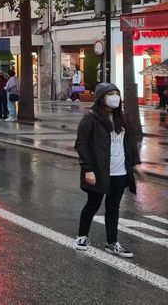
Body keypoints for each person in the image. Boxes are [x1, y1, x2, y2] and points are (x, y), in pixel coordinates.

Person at [74, 83, 145, 258]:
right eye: (110, 93)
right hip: (99, 171)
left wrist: (135, 163)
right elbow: (81, 145)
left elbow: (129, 143)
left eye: (116, 93)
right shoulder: (90, 118)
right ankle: (82, 236)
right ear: (101, 98)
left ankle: (112, 242)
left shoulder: (122, 116)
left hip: (119, 172)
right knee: (93, 204)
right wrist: (88, 169)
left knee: (113, 208)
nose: (114, 96)